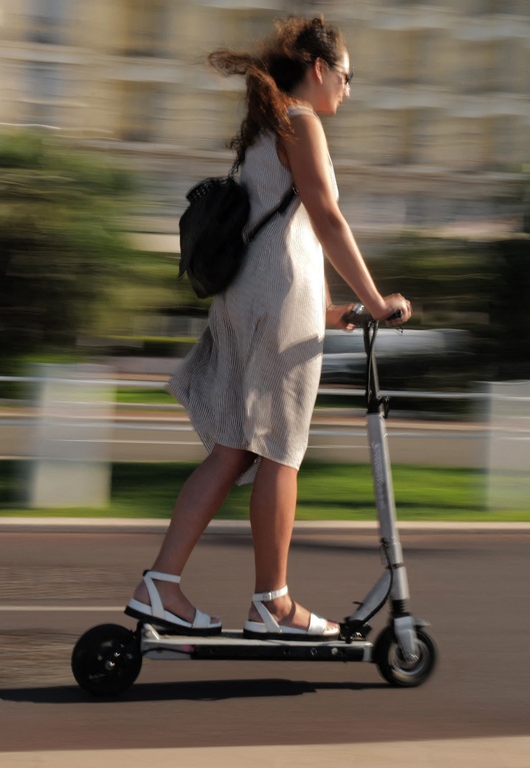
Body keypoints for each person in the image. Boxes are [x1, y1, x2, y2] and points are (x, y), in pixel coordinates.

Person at [125, 16, 412, 640]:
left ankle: (161, 585)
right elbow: (325, 218)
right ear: (319, 68)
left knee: (234, 449)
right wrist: (376, 299)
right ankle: (273, 605)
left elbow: (288, 234)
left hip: (247, 300)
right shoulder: (301, 122)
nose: (349, 89)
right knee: (281, 451)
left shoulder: (267, 127)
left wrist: (335, 311)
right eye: (347, 75)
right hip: (272, 303)